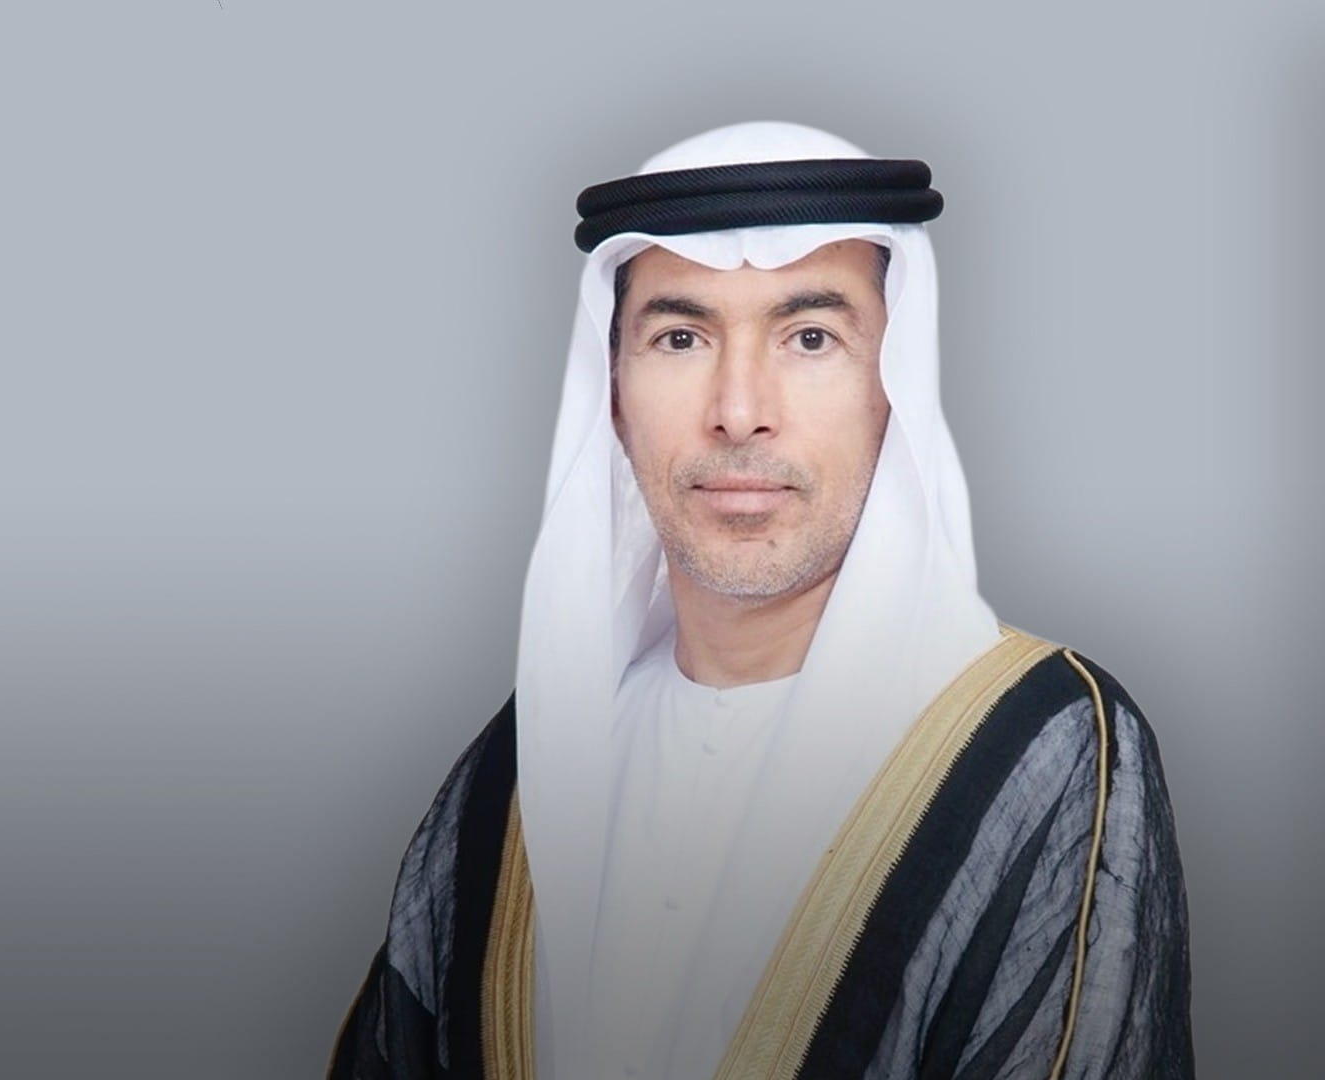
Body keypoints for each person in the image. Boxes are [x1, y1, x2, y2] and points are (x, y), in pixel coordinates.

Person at [328, 122, 1193, 1080]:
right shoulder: (522, 765)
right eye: (681, 338)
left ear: (895, 386)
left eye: (811, 338)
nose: (739, 411)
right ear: (613, 396)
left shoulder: (1041, 746)